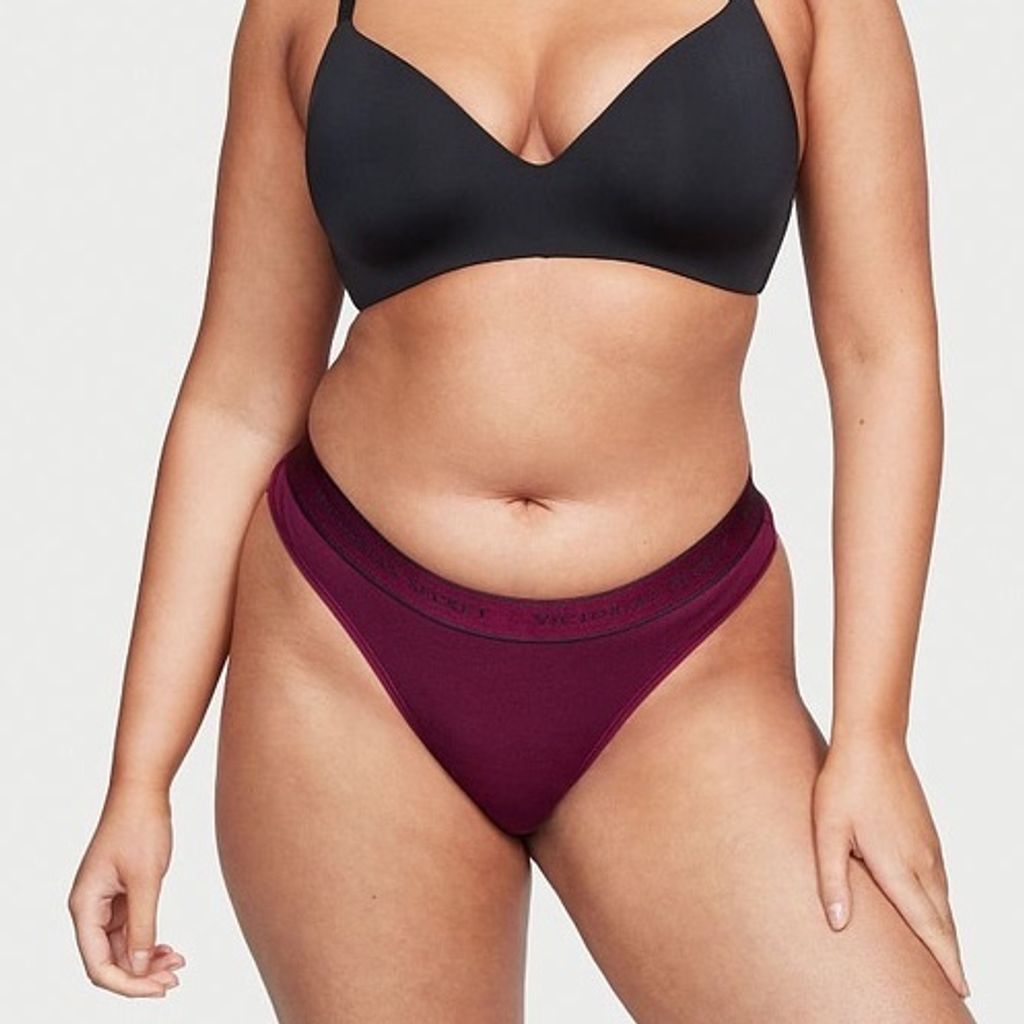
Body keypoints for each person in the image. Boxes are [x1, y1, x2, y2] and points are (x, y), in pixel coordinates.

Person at [68, 0, 975, 1019]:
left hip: (684, 666)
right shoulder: (301, 9)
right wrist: (139, 775)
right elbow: (239, 397)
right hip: (349, 653)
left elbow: (882, 358)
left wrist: (873, 735)